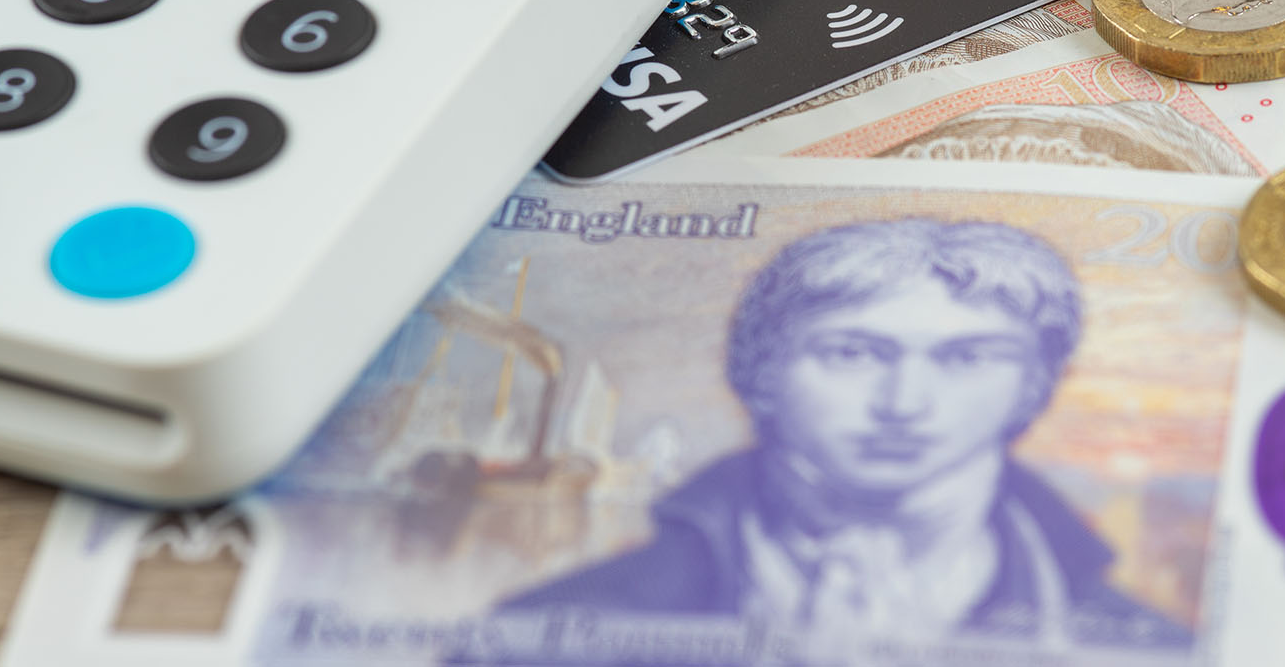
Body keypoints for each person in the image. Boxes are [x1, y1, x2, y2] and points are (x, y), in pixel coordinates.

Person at [491, 218, 1188, 657]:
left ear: (1033, 388)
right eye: (853, 353)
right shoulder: (542, 631)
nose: (905, 405)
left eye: (968, 357)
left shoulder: (1152, 645)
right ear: (760, 372)